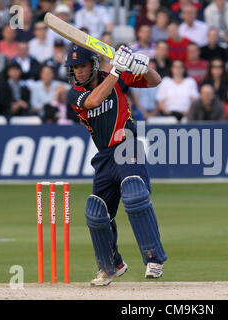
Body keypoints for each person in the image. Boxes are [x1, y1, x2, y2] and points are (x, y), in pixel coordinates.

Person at [66, 44, 167, 285]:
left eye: (82, 65)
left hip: (127, 146)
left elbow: (155, 80)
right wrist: (117, 71)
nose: (78, 71)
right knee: (96, 212)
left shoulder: (115, 75)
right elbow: (93, 101)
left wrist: (142, 66)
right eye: (74, 67)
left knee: (134, 194)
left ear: (93, 64)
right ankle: (111, 266)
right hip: (103, 157)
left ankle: (154, 258)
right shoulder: (74, 93)